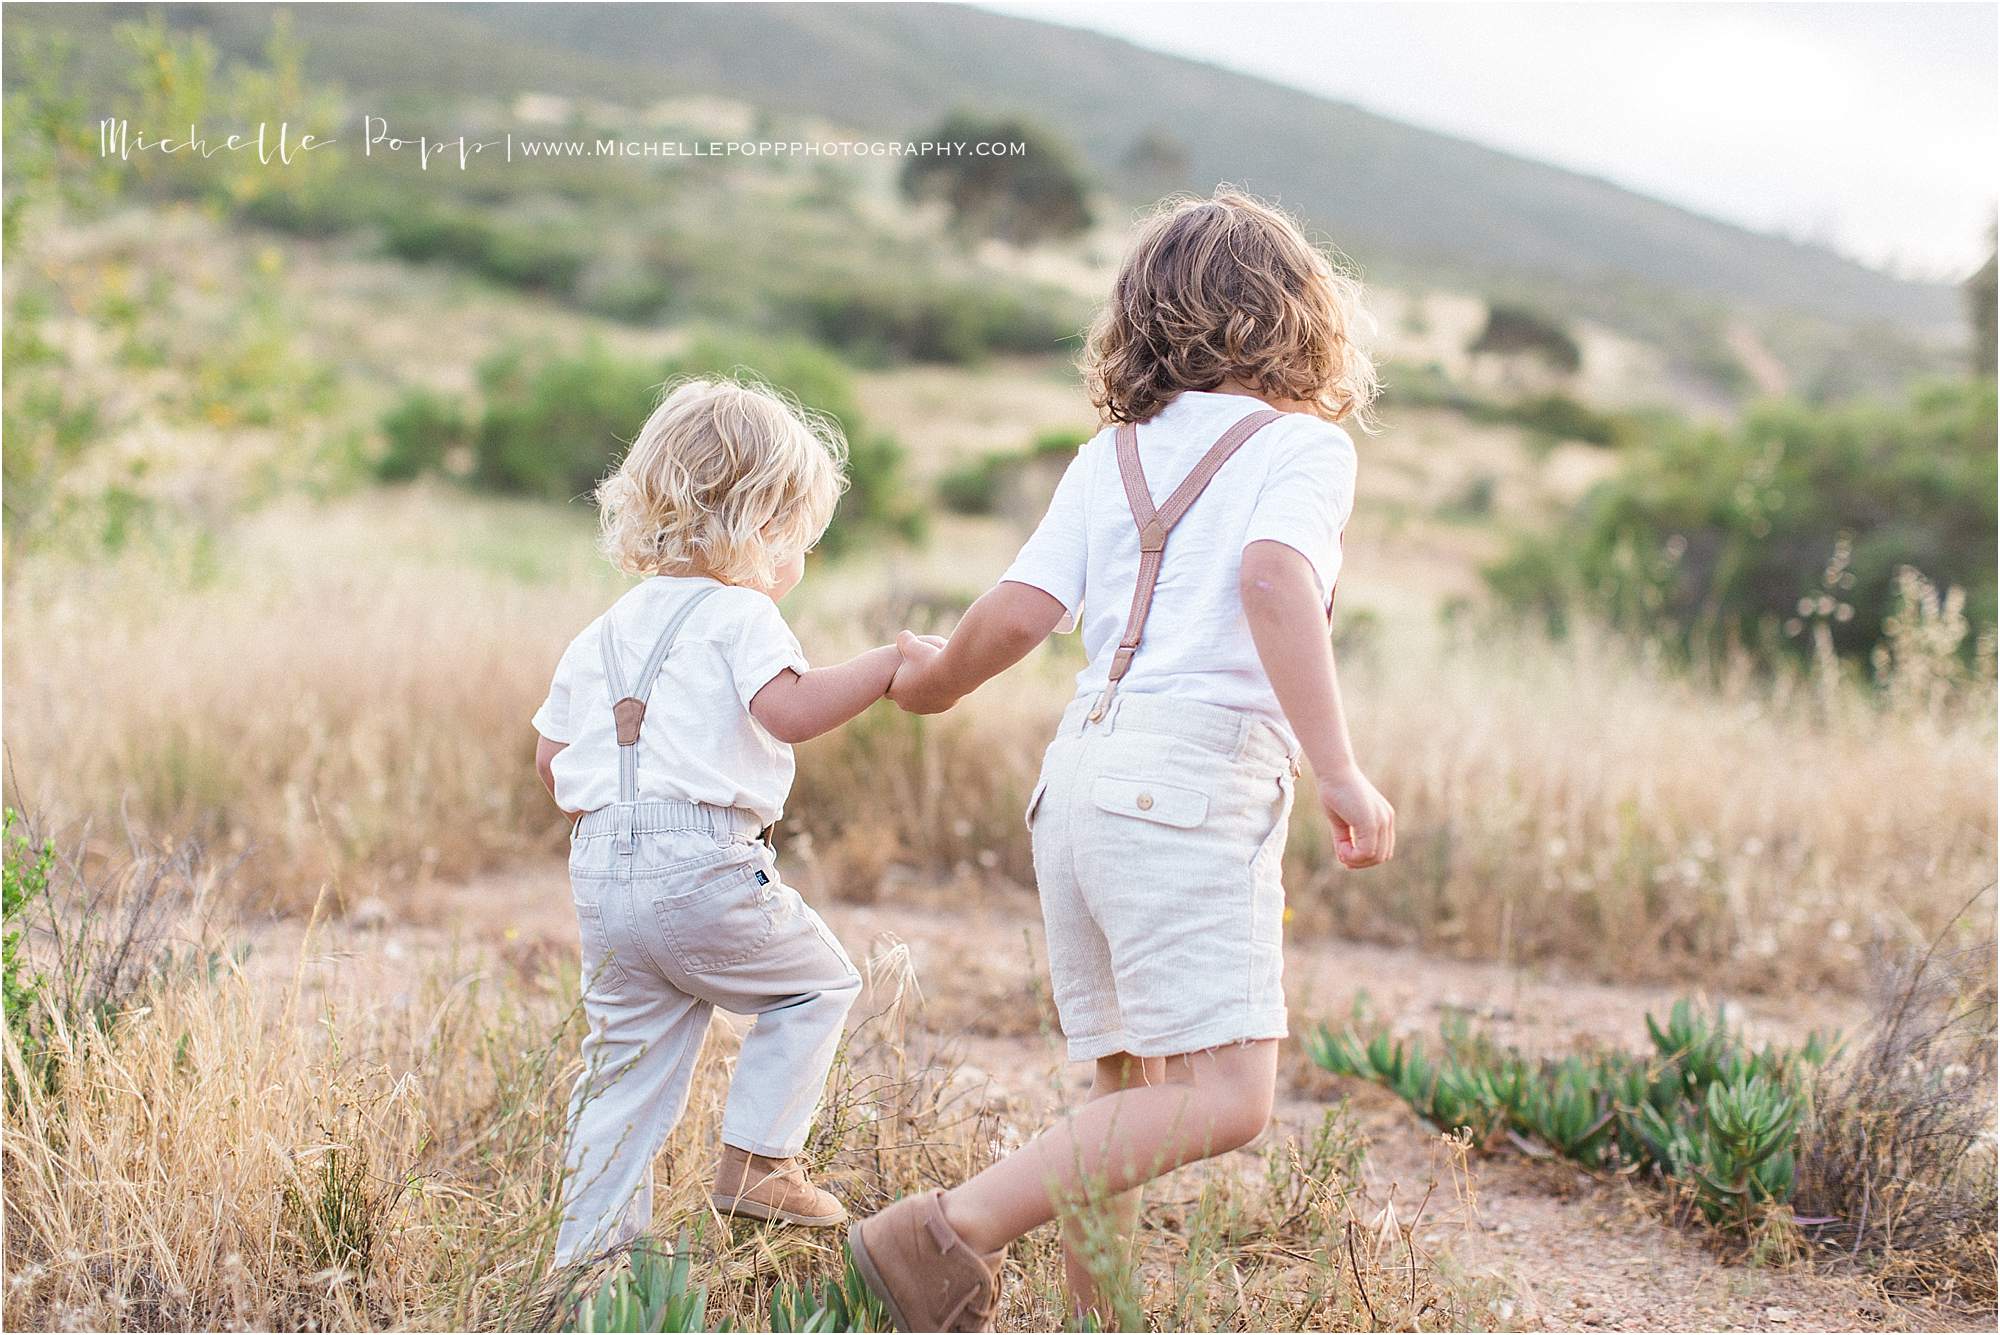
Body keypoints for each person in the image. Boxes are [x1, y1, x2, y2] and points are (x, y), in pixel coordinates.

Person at [848, 189, 1399, 1330]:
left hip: (1080, 778)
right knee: (1227, 1100)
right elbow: (1269, 579)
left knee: (1127, 1089)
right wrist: (1337, 766)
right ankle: (938, 1234)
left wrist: (933, 681)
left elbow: (1013, 614)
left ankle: (1097, 1318)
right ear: (1301, 315)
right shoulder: (1303, 446)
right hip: (1189, 780)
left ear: (1140, 321)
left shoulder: (1114, 456)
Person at [533, 377, 911, 1267]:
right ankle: (758, 1158)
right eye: (802, 541)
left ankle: (588, 1270)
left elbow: (552, 760)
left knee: (620, 1074)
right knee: (817, 985)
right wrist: (890, 664)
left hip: (601, 868)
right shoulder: (743, 614)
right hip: (702, 860)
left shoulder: (601, 632)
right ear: (764, 523)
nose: (800, 563)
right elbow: (790, 710)